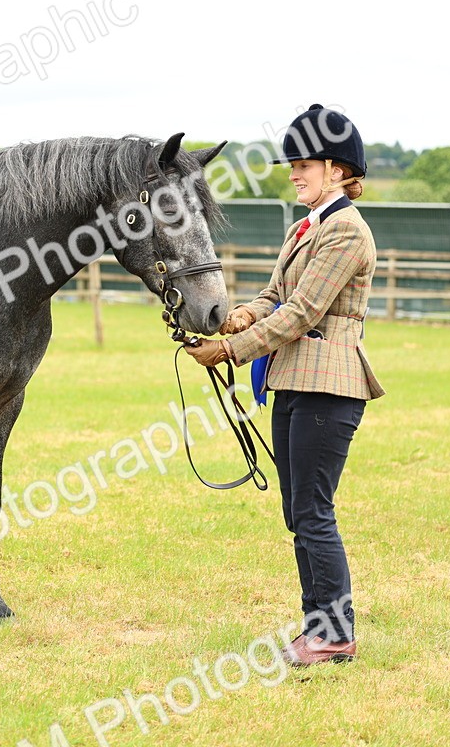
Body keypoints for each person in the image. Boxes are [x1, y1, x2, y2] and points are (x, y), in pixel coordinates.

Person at [184, 104, 384, 666]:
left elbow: (302, 311)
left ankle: (335, 631)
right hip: (293, 379)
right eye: (292, 164)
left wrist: (228, 350)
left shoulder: (346, 230)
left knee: (313, 508)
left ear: (340, 170)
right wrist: (235, 318)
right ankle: (317, 625)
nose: (294, 173)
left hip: (329, 383)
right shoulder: (307, 225)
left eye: (305, 164)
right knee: (299, 510)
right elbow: (274, 299)